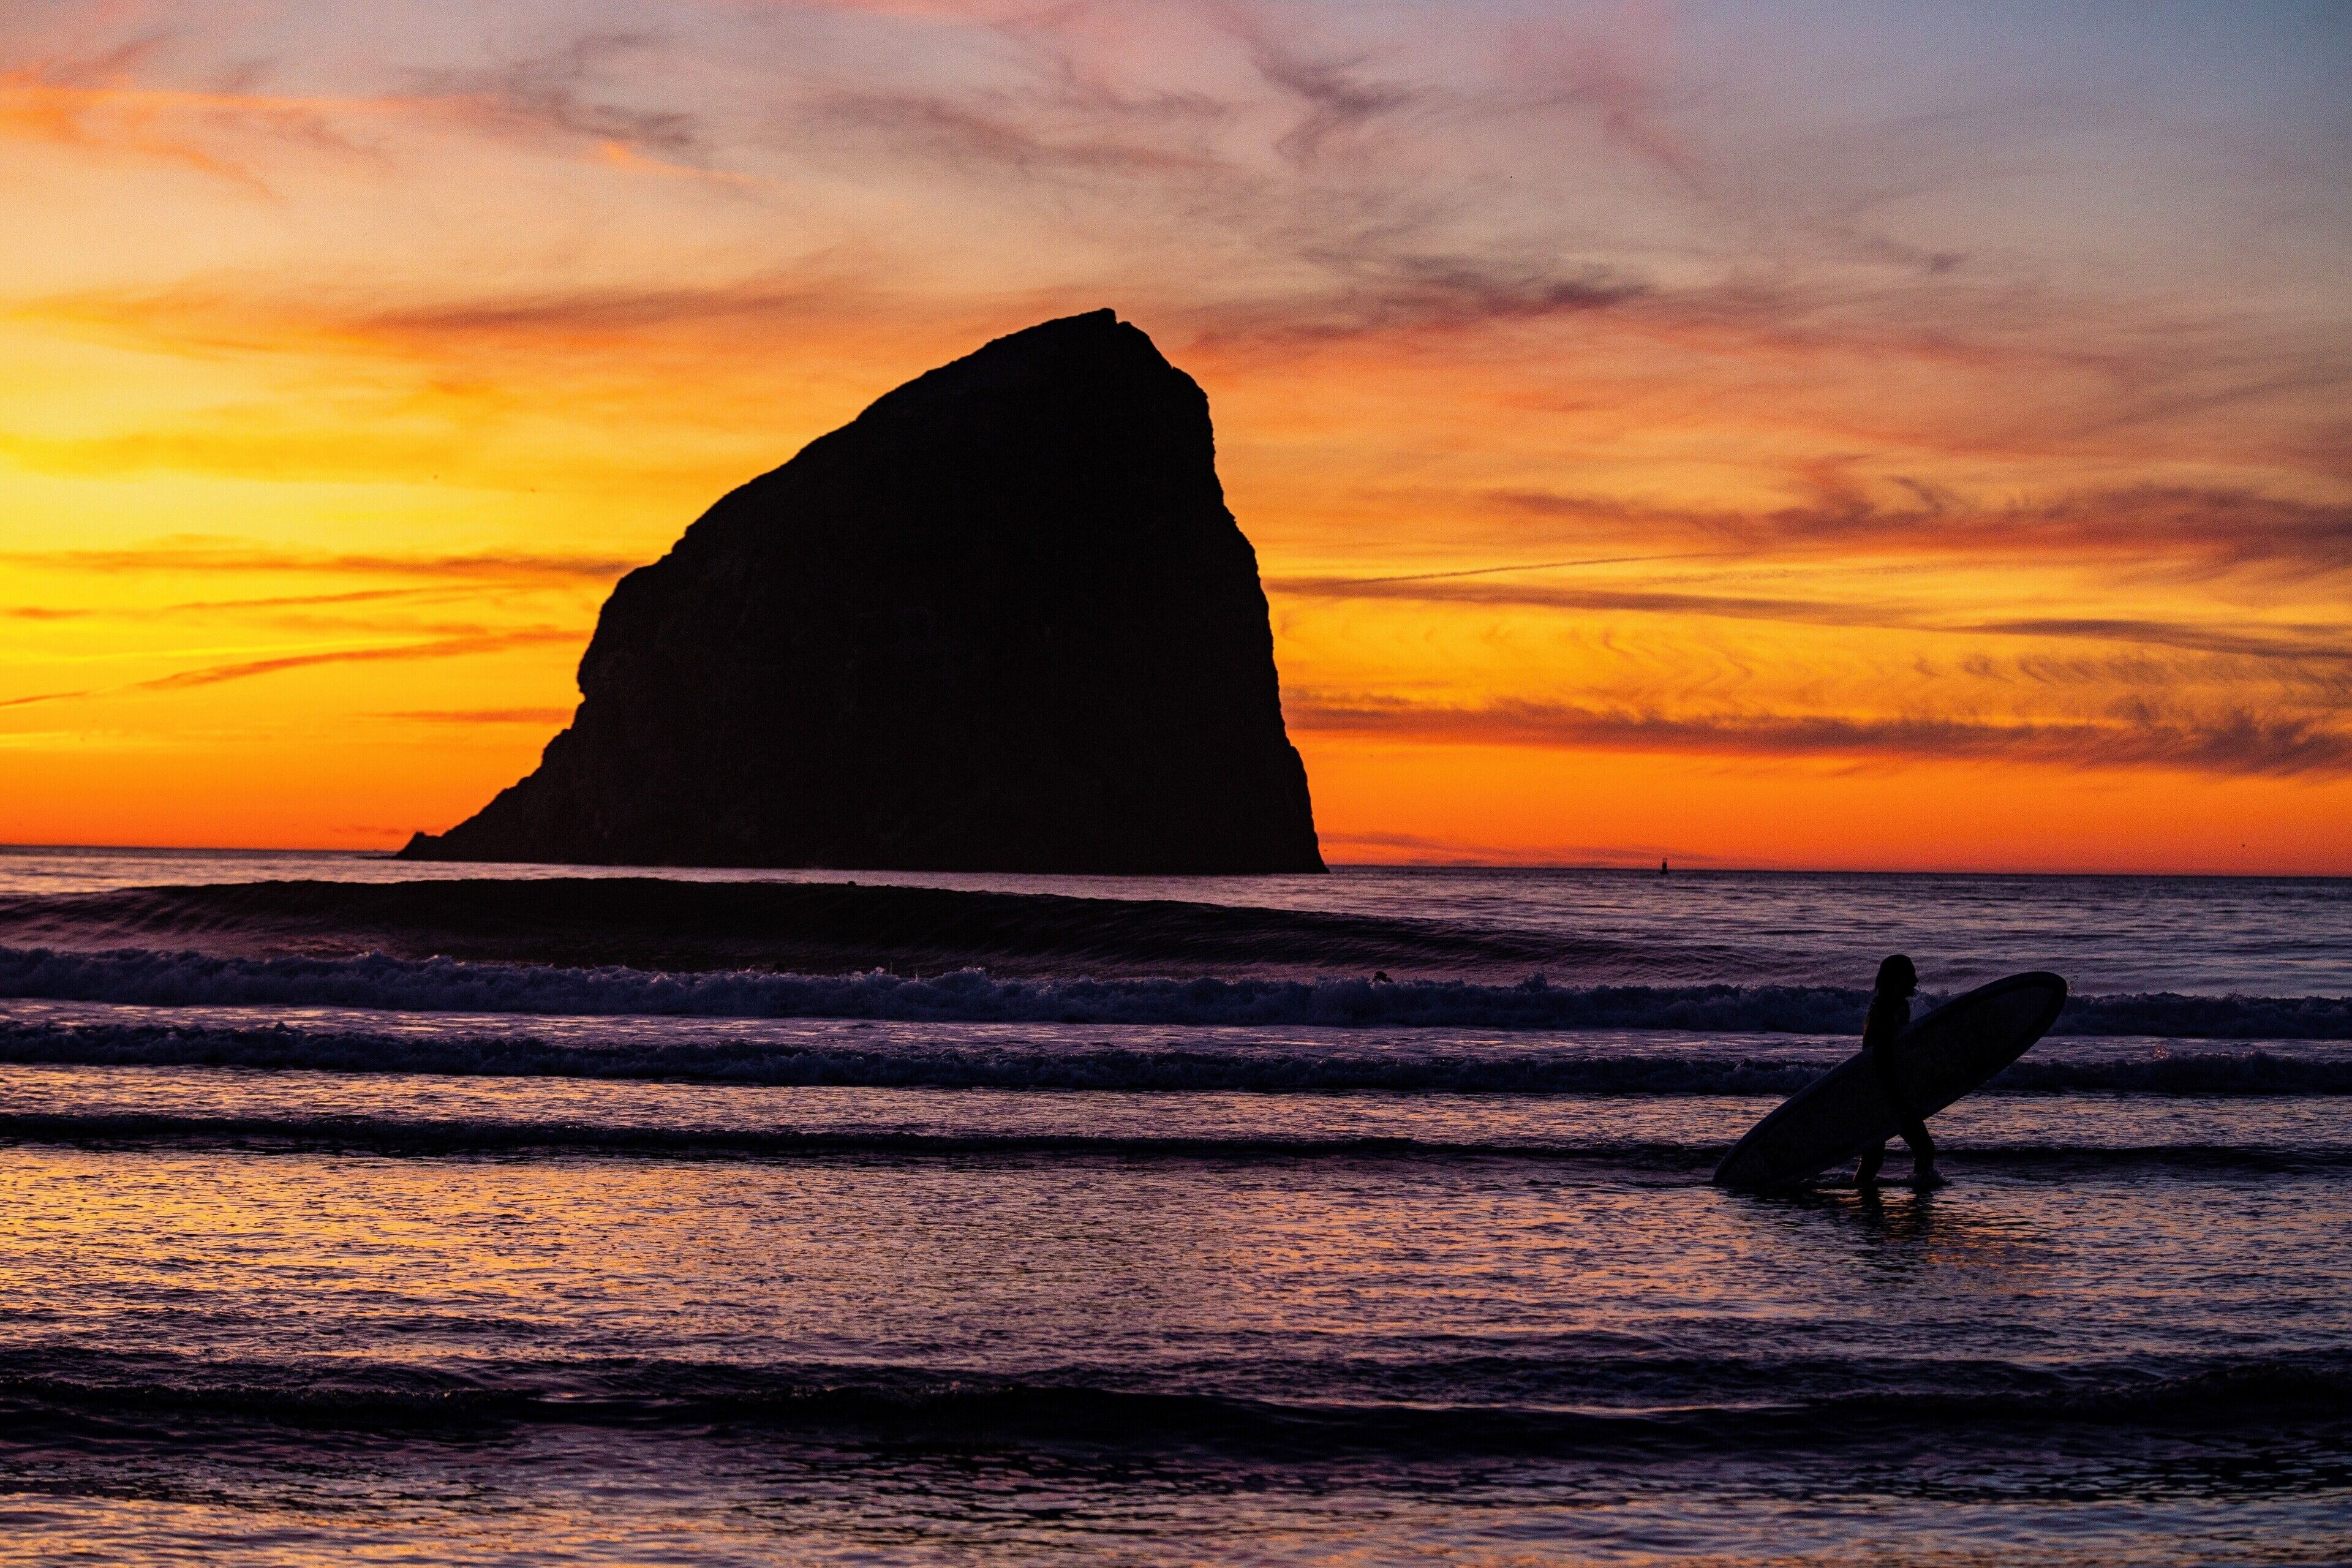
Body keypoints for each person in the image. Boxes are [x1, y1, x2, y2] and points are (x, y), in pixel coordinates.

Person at [1855, 953, 1944, 1189]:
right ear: (1897, 979)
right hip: (1883, 1092)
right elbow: (1882, 1060)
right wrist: (1898, 1099)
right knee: (1921, 1148)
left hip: (1884, 1091)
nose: (1916, 981)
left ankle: (1865, 1197)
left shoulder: (1896, 1007)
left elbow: (1899, 1053)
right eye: (1911, 975)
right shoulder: (1884, 1012)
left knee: (1875, 1158)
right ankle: (1920, 1200)